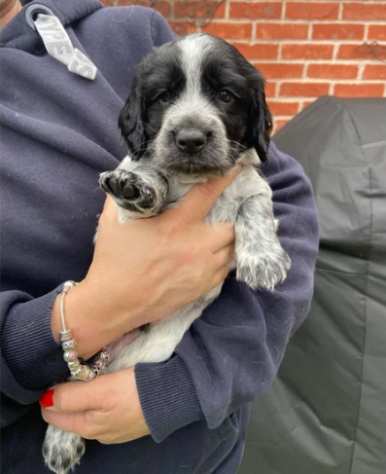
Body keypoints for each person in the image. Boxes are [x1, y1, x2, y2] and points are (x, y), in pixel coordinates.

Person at [0, 0, 319, 473]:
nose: (190, 129)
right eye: (164, 99)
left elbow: (282, 192)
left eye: (226, 98)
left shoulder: (133, 34)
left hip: (198, 448)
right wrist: (97, 310)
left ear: (253, 115)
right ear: (140, 116)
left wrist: (187, 383)